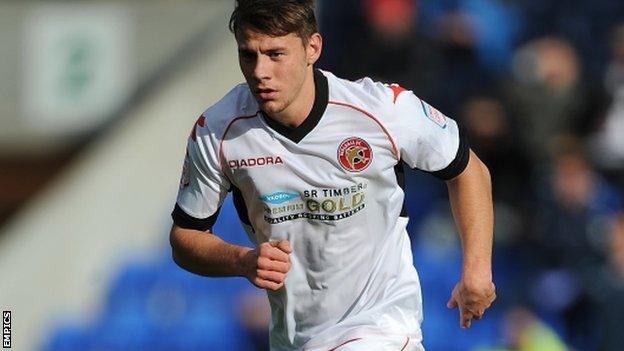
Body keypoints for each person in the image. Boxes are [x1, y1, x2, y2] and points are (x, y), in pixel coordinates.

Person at [169, 1, 496, 350]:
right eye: (248, 55)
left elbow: (468, 169)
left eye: (276, 54)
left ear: (313, 48)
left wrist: (477, 269)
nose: (260, 71)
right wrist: (242, 260)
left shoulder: (381, 110)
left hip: (380, 328)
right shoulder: (218, 131)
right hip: (296, 340)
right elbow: (185, 237)